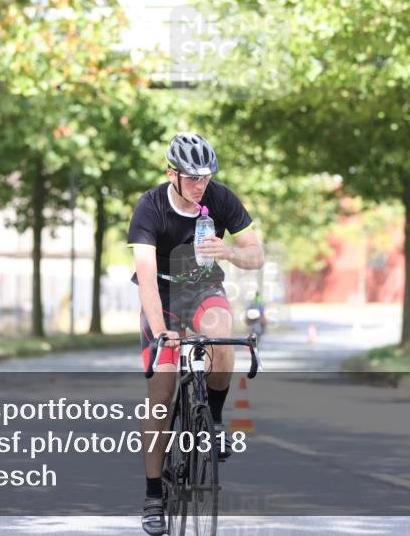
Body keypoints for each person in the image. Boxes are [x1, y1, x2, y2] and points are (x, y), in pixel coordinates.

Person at [128, 133, 264, 535]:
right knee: (161, 395)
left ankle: (213, 422)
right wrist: (161, 332)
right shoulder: (150, 207)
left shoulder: (220, 198)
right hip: (164, 294)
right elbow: (147, 280)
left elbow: (255, 254)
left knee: (223, 339)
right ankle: (154, 496)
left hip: (204, 287)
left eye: (206, 176)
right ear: (172, 173)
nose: (200, 184)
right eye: (191, 177)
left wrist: (232, 253)